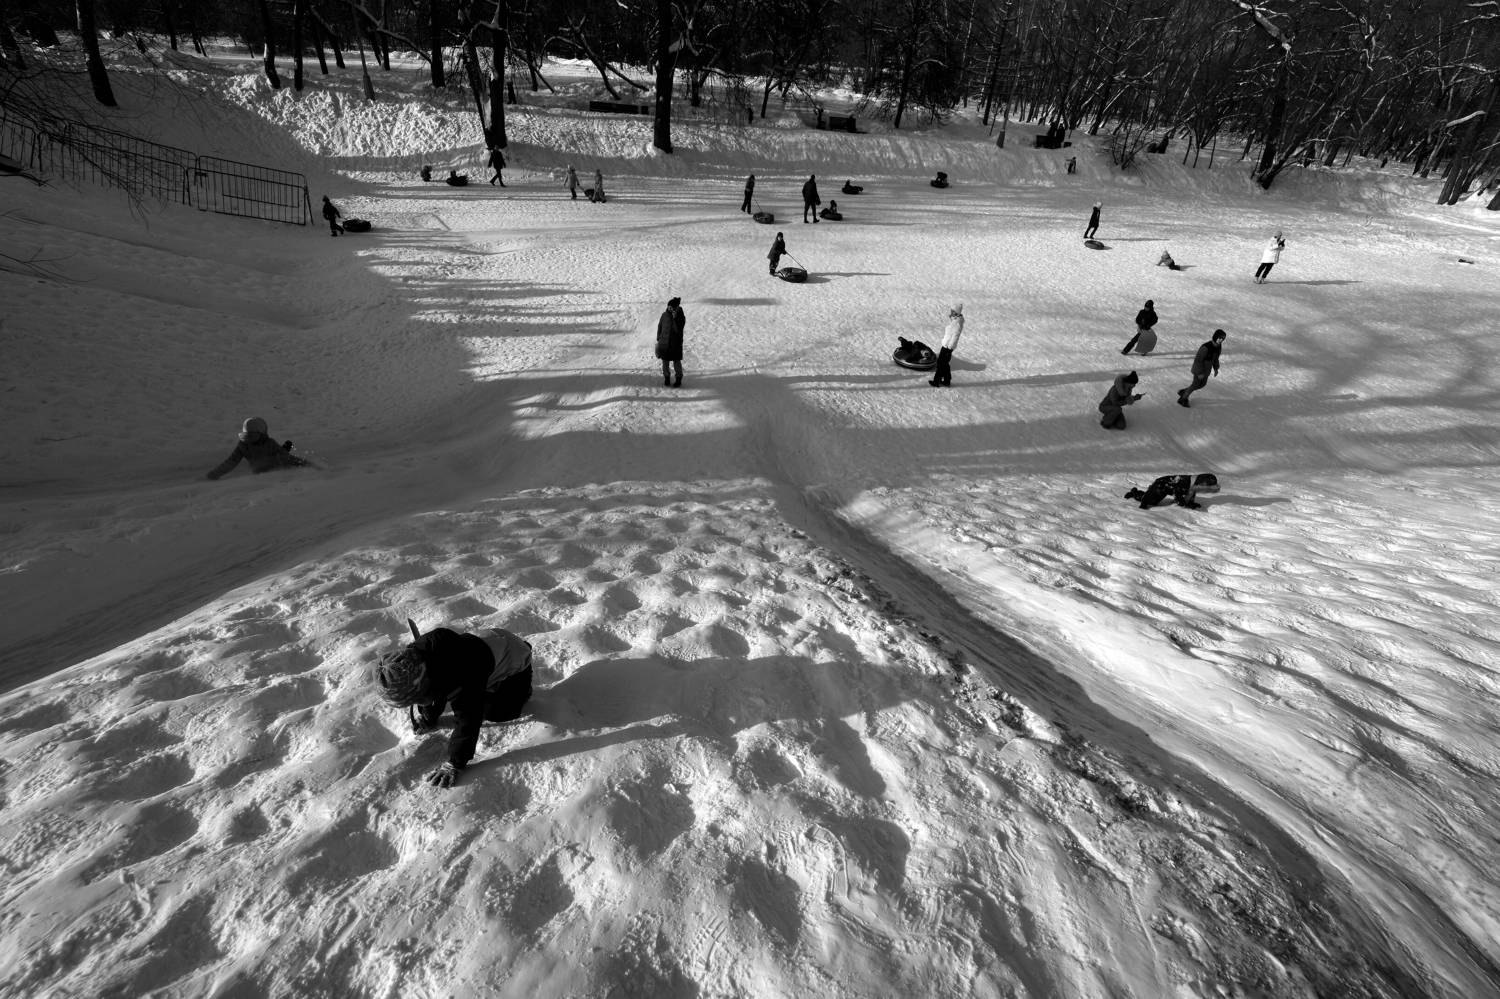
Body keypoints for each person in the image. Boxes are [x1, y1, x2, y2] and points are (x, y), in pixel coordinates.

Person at [373, 620, 535, 789]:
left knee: (498, 713)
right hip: (488, 649)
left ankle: (520, 690)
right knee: (449, 690)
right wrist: (428, 718)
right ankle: (488, 685)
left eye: (417, 699)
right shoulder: (415, 660)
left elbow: (469, 718)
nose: (418, 703)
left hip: (515, 657)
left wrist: (455, 763)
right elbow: (434, 689)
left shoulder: (462, 672)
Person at [206, 416, 308, 479]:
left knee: (283, 451)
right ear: (262, 431)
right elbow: (286, 458)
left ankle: (285, 449)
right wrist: (306, 463)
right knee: (287, 447)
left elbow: (231, 461)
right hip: (276, 468)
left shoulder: (243, 445)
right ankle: (288, 447)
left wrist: (214, 474)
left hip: (257, 471)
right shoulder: (269, 442)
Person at [1178, 329, 1226, 407]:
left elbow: (1215, 359)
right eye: (1220, 338)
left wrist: (1216, 368)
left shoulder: (1218, 347)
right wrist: (1199, 373)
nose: (1221, 340)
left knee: (1202, 385)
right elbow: (1198, 360)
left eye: (1223, 339)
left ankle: (1184, 391)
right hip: (1199, 371)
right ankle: (1182, 399)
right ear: (1215, 336)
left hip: (1206, 371)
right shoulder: (1206, 347)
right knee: (1195, 385)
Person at [1124, 473, 1220, 510]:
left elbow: (1192, 492)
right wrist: (1144, 503)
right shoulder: (1184, 481)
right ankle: (1134, 493)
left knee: (1154, 501)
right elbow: (1177, 493)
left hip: (1170, 487)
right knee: (1151, 501)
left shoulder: (1194, 483)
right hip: (1162, 484)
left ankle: (1138, 493)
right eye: (1207, 485)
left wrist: (1191, 503)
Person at [930, 304, 964, 387]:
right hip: (946, 345)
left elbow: (956, 336)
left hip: (948, 346)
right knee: (944, 363)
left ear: (957, 312)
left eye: (953, 311)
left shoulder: (957, 322)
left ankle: (936, 381)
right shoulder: (955, 320)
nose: (951, 312)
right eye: (951, 311)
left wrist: (950, 347)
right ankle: (947, 380)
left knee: (941, 363)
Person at [655, 296, 686, 387]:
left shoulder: (681, 317)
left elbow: (679, 330)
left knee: (676, 362)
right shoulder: (664, 315)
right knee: (665, 363)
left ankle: (678, 379)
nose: (670, 308)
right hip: (664, 343)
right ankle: (667, 378)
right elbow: (659, 326)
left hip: (675, 344)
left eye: (672, 307)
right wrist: (658, 338)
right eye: (669, 306)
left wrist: (675, 318)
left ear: (676, 307)